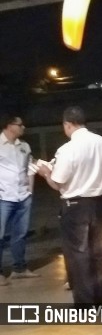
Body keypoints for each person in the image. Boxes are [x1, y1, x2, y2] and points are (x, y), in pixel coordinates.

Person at [37, 106, 102, 305]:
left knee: (79, 256)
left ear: (67, 124)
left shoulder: (67, 149)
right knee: (98, 253)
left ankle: (85, 304)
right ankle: (99, 299)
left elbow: (58, 182)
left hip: (76, 207)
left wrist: (46, 172)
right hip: (101, 204)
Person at [0, 113, 41, 286]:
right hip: (3, 197)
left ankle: (19, 269)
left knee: (20, 234)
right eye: (20, 124)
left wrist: (29, 191)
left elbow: (29, 167)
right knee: (0, 236)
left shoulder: (24, 146)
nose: (23, 127)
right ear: (9, 126)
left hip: (23, 197)